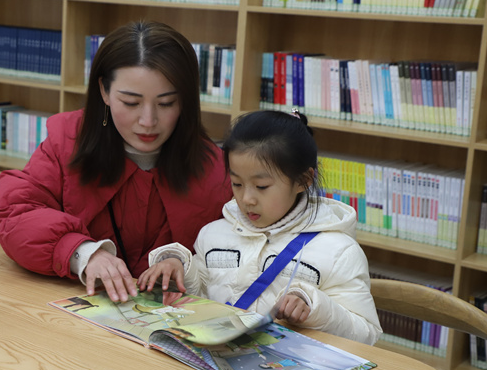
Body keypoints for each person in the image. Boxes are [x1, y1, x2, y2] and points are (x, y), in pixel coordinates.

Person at [0, 21, 233, 302]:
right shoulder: (66, 140)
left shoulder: (218, 170)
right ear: (104, 92)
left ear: (186, 101)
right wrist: (81, 253)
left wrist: (186, 266)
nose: (148, 121)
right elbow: (16, 213)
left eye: (166, 103)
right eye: (131, 102)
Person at [138, 109, 382, 345]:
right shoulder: (213, 234)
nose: (247, 199)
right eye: (237, 183)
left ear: (303, 181)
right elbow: (200, 294)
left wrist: (314, 307)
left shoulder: (339, 251)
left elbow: (366, 335)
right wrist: (178, 267)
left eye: (262, 186)